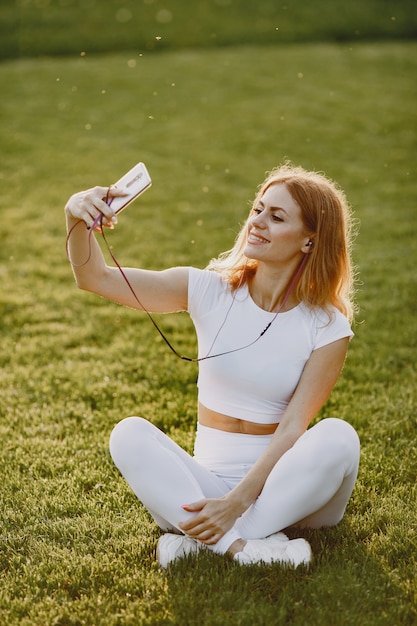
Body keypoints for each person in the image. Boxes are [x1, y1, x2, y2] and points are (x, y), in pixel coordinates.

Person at [65, 162, 360, 568]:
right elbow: (94, 277)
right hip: (206, 482)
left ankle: (201, 539)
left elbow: (294, 426)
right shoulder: (209, 289)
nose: (257, 222)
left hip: (287, 489)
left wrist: (237, 503)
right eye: (258, 210)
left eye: (276, 217)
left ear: (309, 241)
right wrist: (75, 216)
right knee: (127, 433)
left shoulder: (327, 325)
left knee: (340, 437)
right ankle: (243, 549)